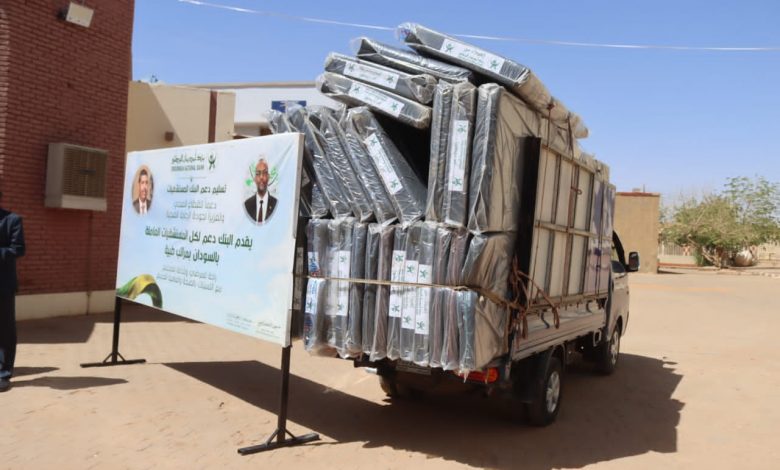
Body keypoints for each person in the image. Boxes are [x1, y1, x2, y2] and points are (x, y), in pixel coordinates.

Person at [0, 192, 25, 392]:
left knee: (5, 330)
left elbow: (18, 249)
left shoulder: (12, 220)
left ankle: (3, 373)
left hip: (3, 285)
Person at [244, 158, 277, 223]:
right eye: (258, 173)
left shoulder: (275, 204)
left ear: (268, 177)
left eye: (264, 173)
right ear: (255, 179)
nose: (261, 177)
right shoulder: (247, 205)